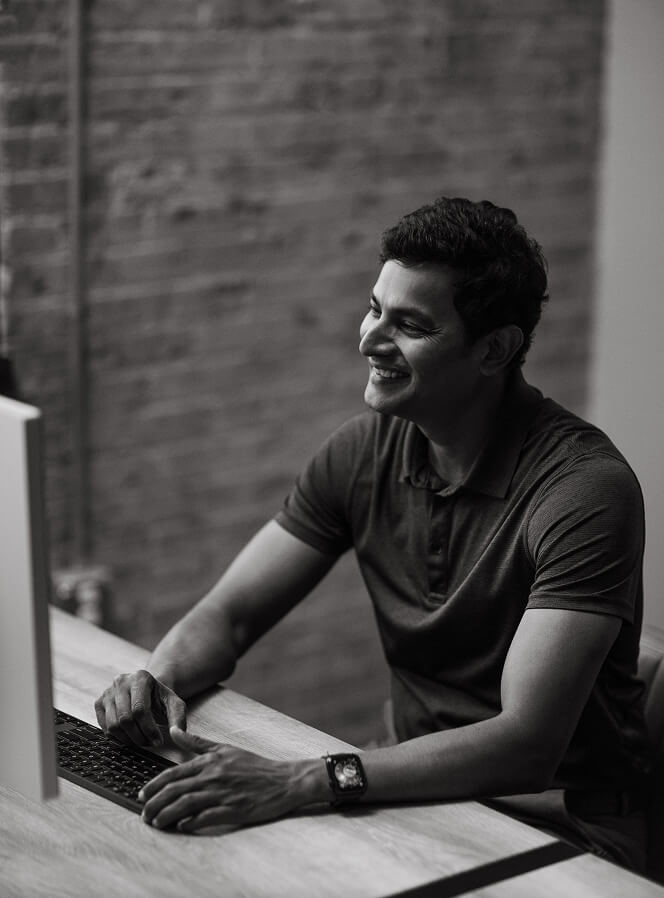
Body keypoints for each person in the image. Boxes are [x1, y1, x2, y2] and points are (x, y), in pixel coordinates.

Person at [95, 197, 650, 870]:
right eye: (374, 308)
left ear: (494, 350)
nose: (368, 339)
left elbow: (526, 743)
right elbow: (230, 615)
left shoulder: (584, 491)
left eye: (410, 324)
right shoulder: (364, 451)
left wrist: (306, 779)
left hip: (567, 837)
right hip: (411, 799)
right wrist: (158, 679)